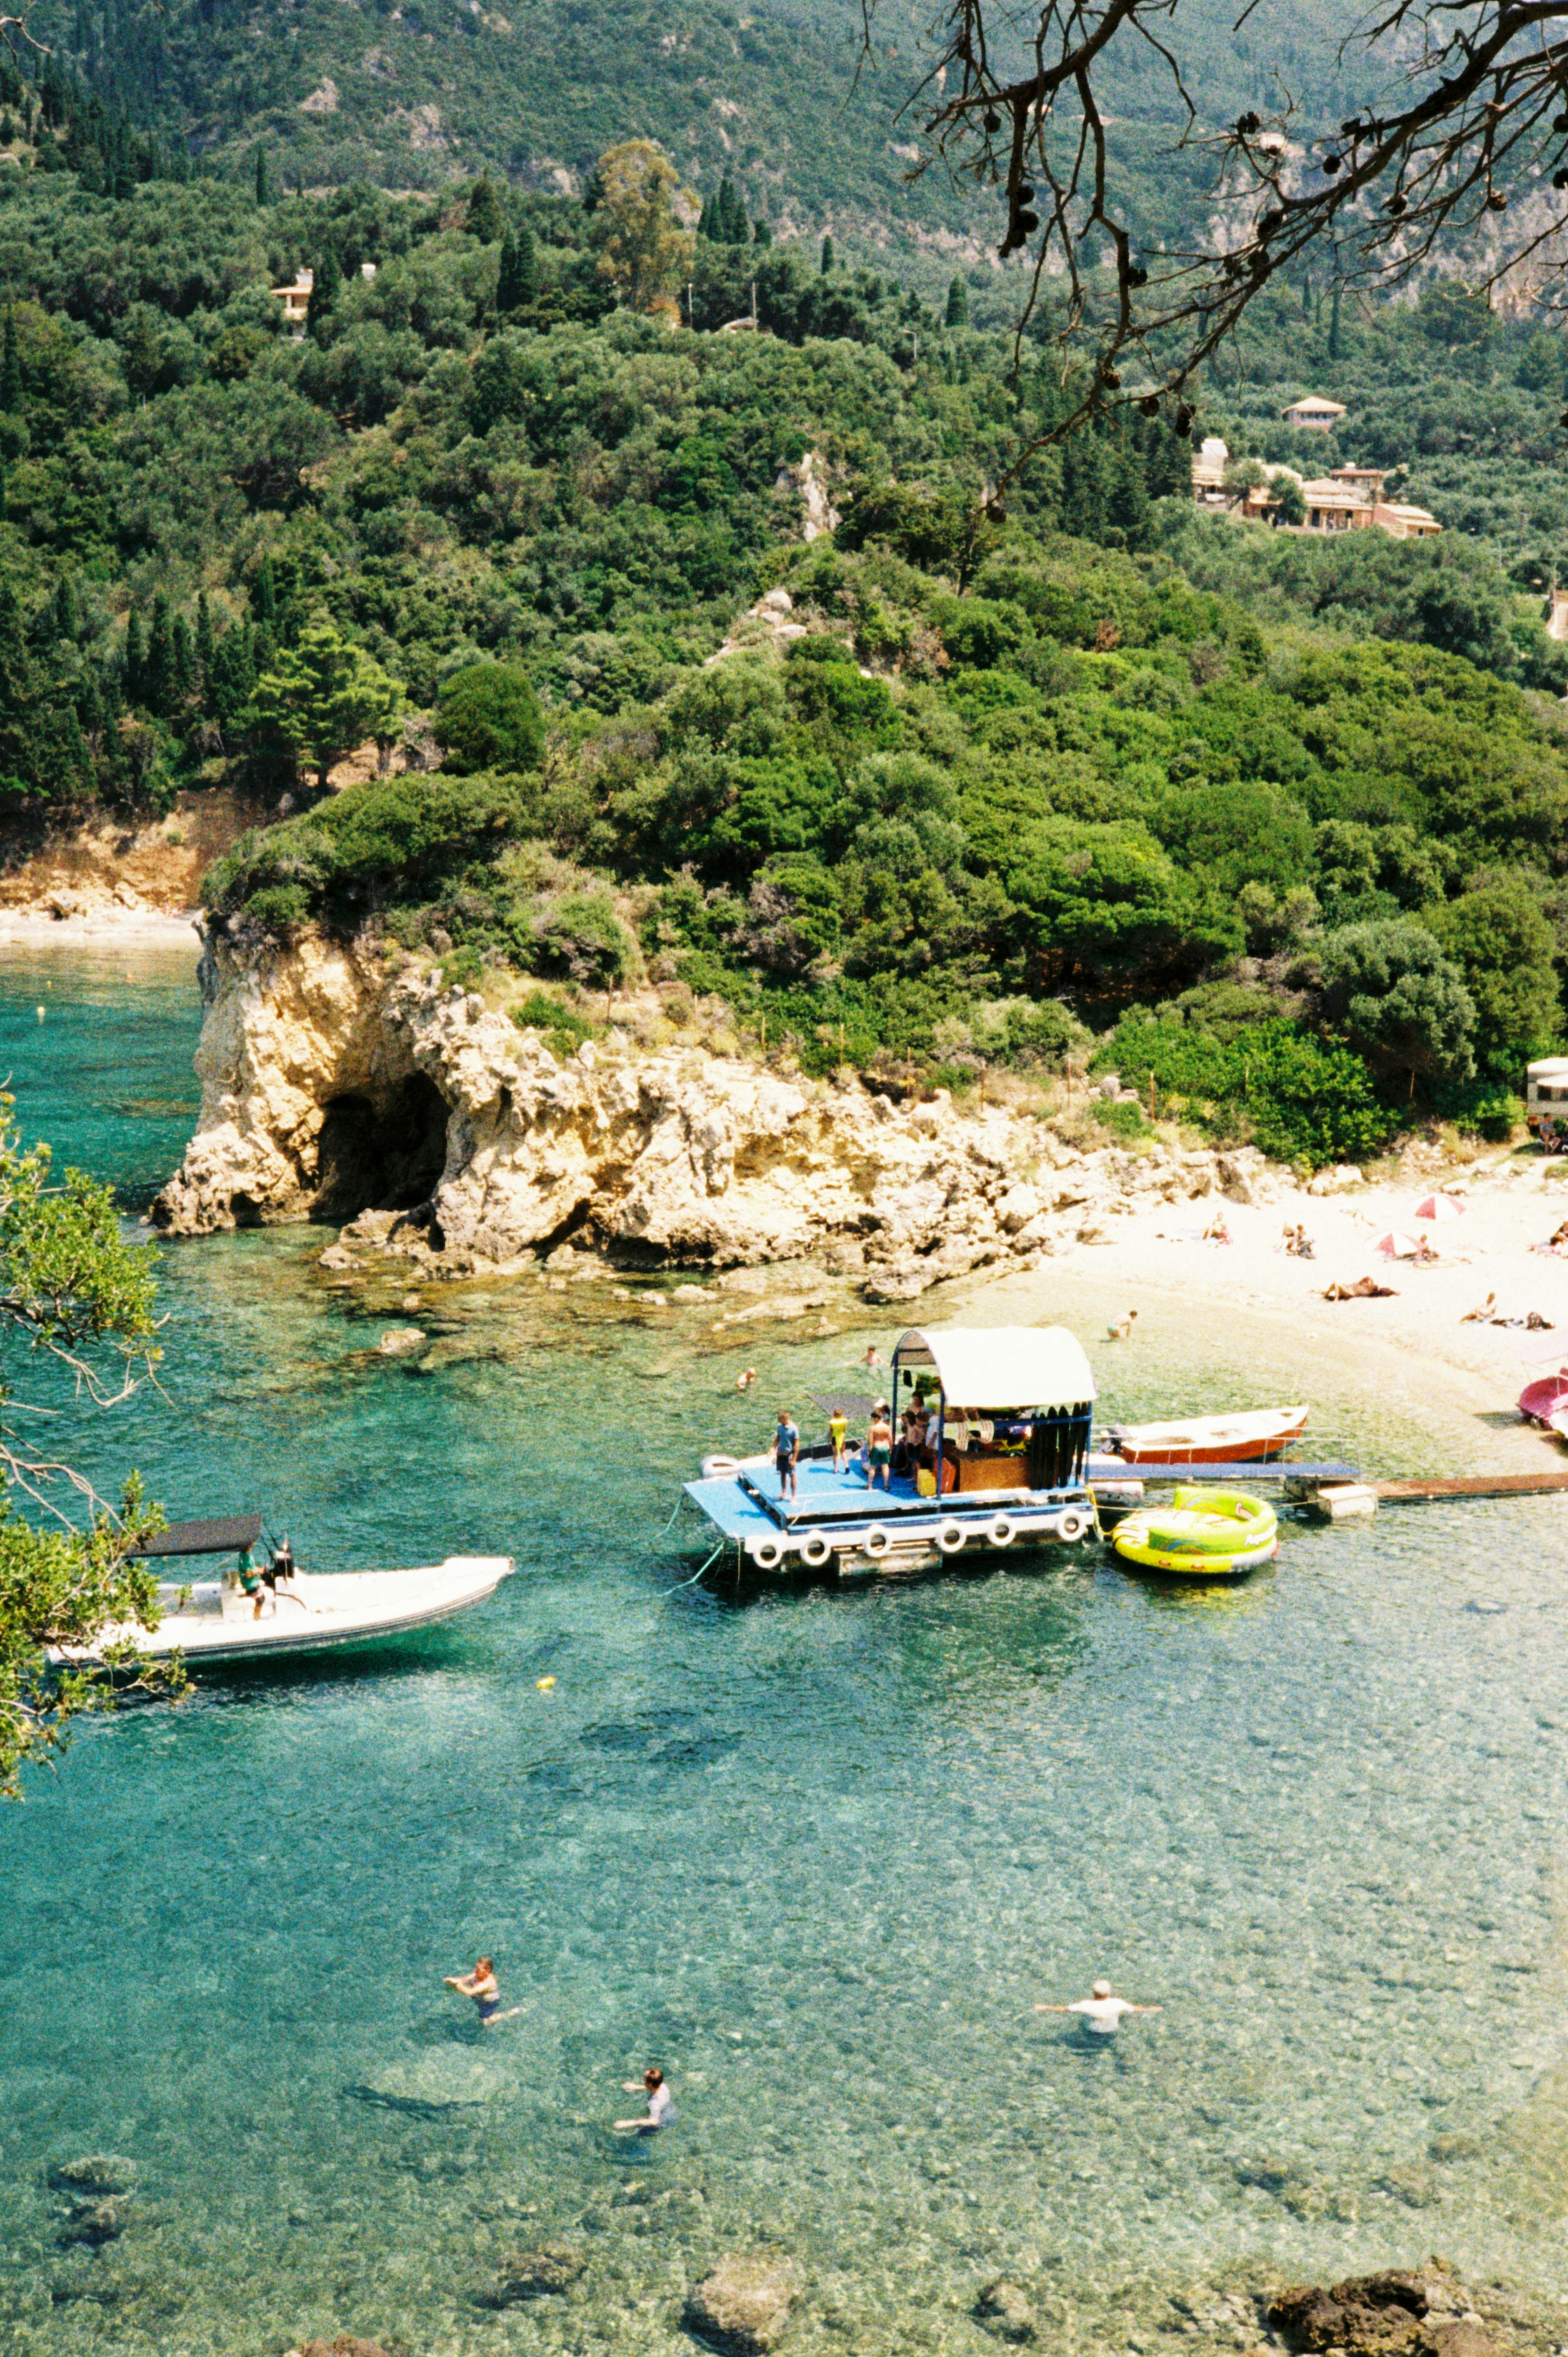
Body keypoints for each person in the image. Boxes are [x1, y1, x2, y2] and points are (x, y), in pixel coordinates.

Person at [1036, 1978, 1160, 2038]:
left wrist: (1045, 2007)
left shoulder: (1086, 2005)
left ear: (1094, 1994)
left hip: (1091, 2030)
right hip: (1112, 2030)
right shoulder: (1118, 2004)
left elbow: (1064, 2010)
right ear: (1109, 1993)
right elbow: (1135, 2010)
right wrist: (1150, 2009)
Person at [445, 1956, 503, 2026]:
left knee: (486, 2023)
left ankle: (507, 2014)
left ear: (488, 1970)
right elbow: (465, 1979)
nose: (475, 1971)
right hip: (479, 1999)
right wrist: (453, 1980)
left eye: (479, 1969)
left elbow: (470, 1992)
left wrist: (458, 1985)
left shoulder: (488, 1983)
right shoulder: (478, 1974)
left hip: (489, 2004)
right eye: (476, 1968)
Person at [614, 2066, 674, 2133]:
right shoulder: (662, 2085)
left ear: (650, 2084)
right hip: (668, 2110)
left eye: (645, 2078)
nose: (643, 2079)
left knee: (640, 2133)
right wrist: (636, 2087)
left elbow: (654, 2122)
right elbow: (652, 2087)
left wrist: (628, 2123)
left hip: (662, 2120)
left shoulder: (655, 2103)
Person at [774, 1407, 800, 1501]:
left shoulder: (794, 1429)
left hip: (789, 1455)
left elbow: (797, 1444)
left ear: (785, 1419)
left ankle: (793, 1497)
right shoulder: (780, 1427)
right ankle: (784, 1494)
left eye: (780, 1419)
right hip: (781, 1454)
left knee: (792, 1475)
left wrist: (794, 1459)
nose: (778, 1421)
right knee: (782, 1474)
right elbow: (778, 1438)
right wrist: (773, 1448)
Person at [867, 1401, 893, 1490]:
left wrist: (869, 1449)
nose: (873, 1420)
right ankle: (886, 1485)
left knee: (873, 1467)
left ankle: (870, 1485)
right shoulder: (887, 1427)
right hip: (885, 1447)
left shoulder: (873, 1428)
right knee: (885, 1466)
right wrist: (891, 1448)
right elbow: (890, 1439)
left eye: (874, 1418)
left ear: (877, 1418)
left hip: (876, 1447)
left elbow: (870, 1440)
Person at [828, 1408, 850, 1473]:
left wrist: (828, 1440)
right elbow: (844, 1430)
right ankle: (847, 1466)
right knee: (843, 1452)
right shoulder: (844, 1422)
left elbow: (831, 1432)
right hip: (842, 1438)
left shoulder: (832, 1422)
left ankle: (835, 1469)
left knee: (835, 1454)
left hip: (835, 1438)